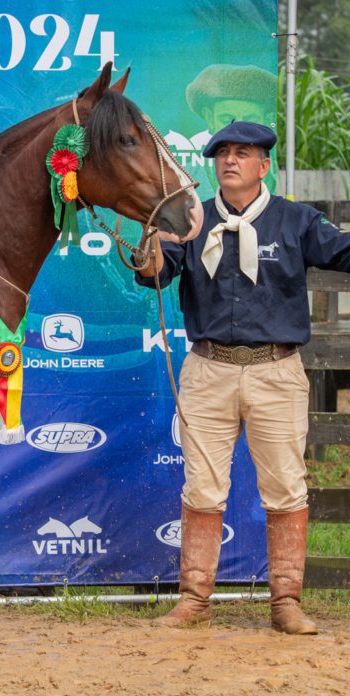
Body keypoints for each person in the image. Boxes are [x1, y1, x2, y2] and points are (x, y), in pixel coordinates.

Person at [135, 121, 350, 635]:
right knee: (203, 488)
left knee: (285, 487)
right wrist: (148, 253)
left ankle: (286, 603)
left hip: (276, 371)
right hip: (208, 370)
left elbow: (343, 253)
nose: (229, 160)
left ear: (264, 165)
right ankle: (194, 600)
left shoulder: (296, 221)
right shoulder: (190, 220)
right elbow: (157, 275)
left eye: (242, 153)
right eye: (222, 153)